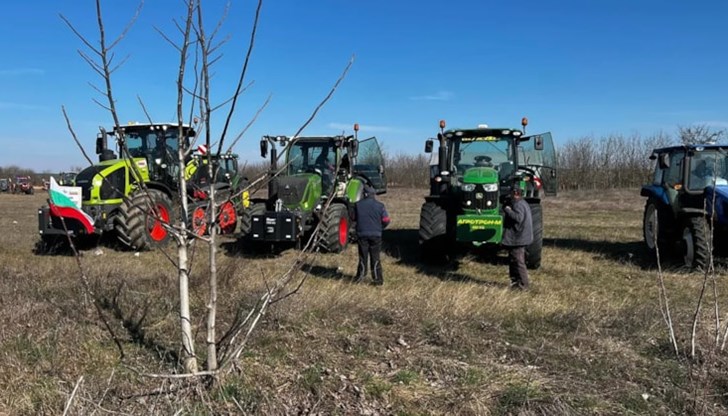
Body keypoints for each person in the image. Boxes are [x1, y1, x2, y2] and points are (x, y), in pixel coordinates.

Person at [353, 185, 391, 285]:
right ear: (373, 194)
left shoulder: (358, 205)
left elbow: (353, 218)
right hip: (376, 235)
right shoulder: (380, 206)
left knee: (363, 257)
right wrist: (380, 228)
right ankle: (378, 279)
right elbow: (386, 220)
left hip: (362, 234)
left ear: (364, 194)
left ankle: (360, 277)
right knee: (375, 257)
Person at [502, 187, 533, 290]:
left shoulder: (518, 204)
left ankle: (524, 286)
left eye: (511, 193)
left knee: (519, 262)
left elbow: (518, 218)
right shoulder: (523, 202)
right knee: (514, 260)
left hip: (518, 238)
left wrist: (508, 210)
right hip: (519, 237)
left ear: (515, 193)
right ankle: (515, 282)